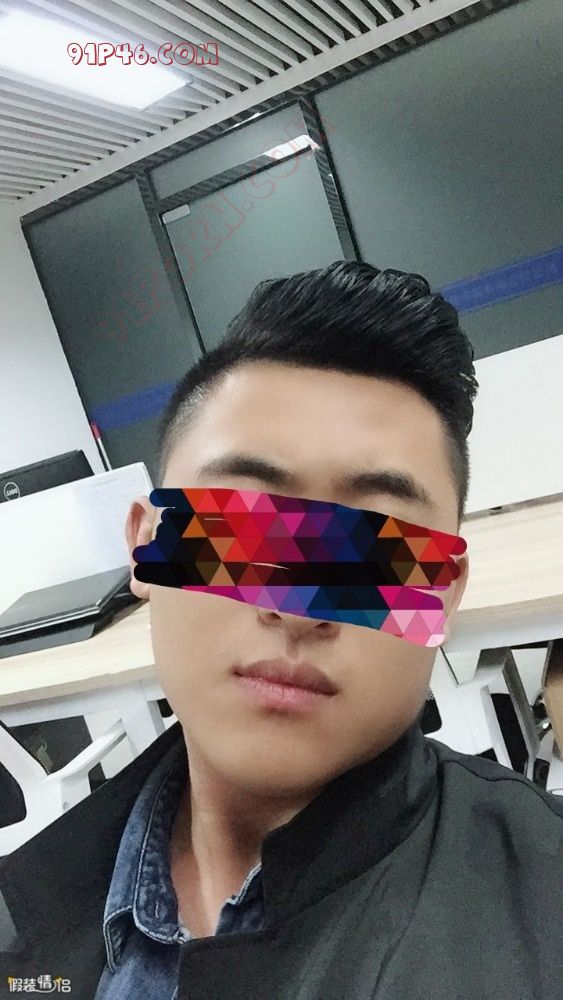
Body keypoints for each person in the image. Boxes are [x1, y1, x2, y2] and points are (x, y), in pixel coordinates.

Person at [1, 262, 562, 999]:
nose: (298, 606)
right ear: (146, 546)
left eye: (373, 552)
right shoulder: (22, 920)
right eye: (242, 530)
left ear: (443, 593)